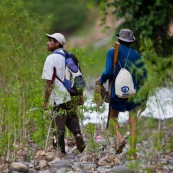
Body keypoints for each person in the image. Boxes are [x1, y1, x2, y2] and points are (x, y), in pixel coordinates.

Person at [95, 29, 147, 160]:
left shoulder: (112, 52)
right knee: (133, 122)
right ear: (131, 42)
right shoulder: (137, 55)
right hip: (135, 93)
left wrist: (100, 81)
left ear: (119, 39)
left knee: (113, 117)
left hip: (117, 92)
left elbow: (108, 72)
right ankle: (133, 152)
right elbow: (144, 77)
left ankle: (120, 138)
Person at [42, 33, 85, 154]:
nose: (48, 43)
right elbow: (79, 77)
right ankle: (77, 134)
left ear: (57, 44)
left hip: (59, 95)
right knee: (72, 117)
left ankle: (60, 151)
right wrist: (80, 96)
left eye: (50, 41)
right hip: (73, 93)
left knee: (58, 123)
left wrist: (46, 100)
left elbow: (49, 82)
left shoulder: (51, 58)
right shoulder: (71, 56)